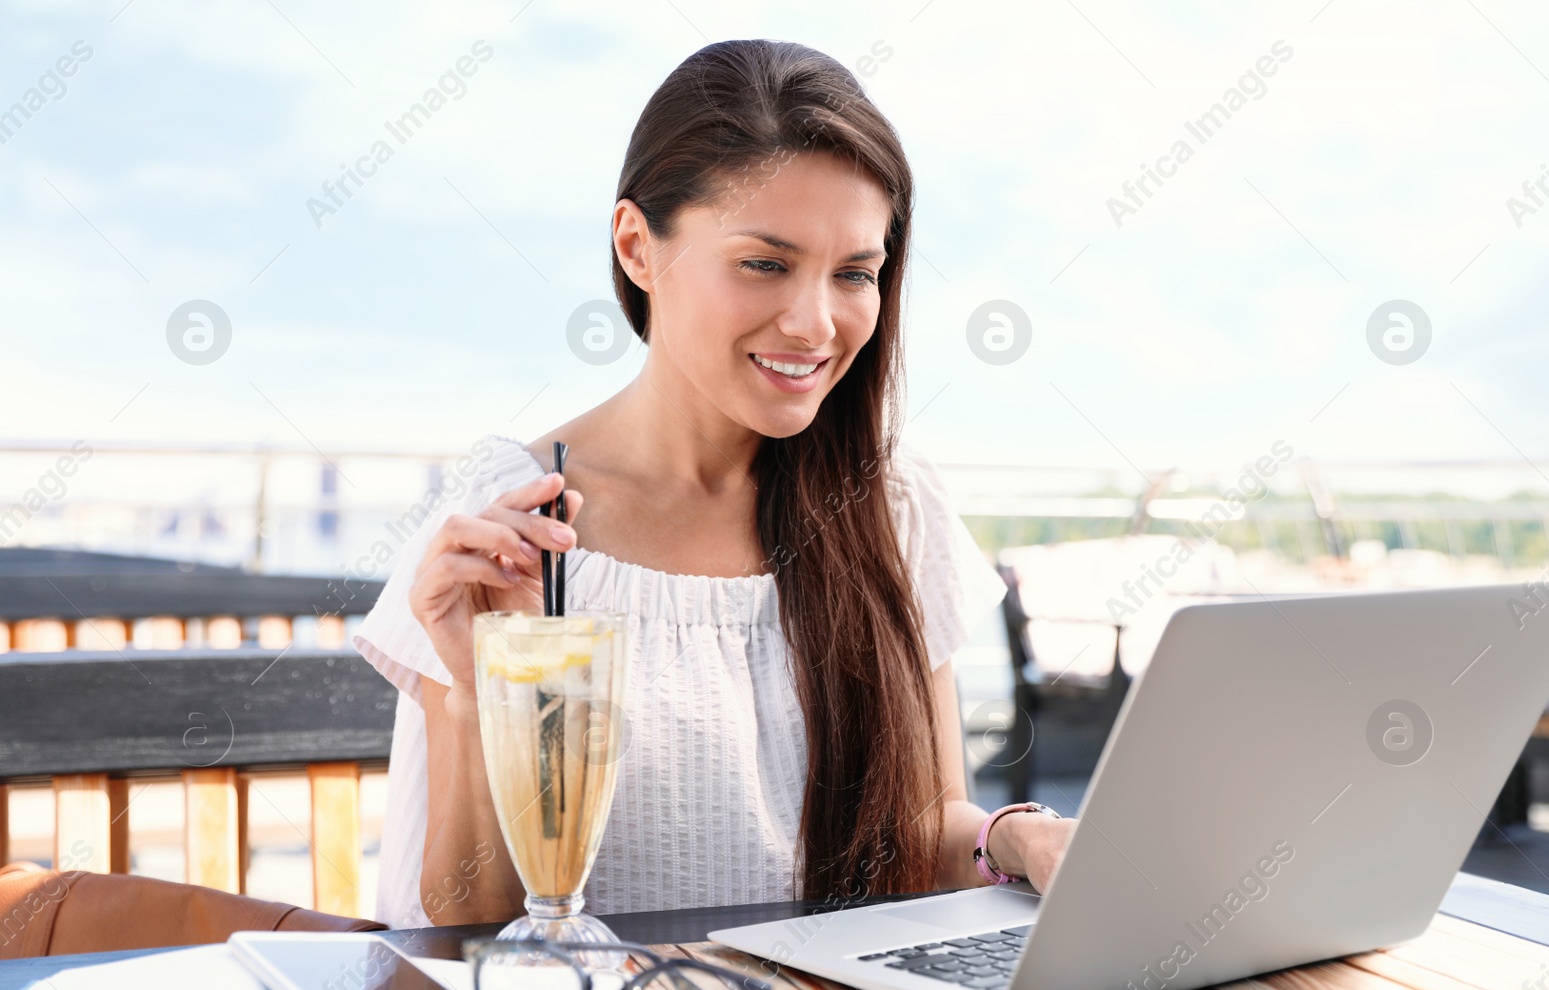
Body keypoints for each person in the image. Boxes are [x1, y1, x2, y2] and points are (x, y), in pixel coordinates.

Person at [354, 39, 1077, 929]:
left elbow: (918, 823)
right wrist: (472, 702)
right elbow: (464, 926)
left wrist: (1023, 838)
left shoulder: (889, 503)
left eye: (855, 273)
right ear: (637, 247)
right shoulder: (516, 519)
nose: (816, 324)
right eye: (765, 264)